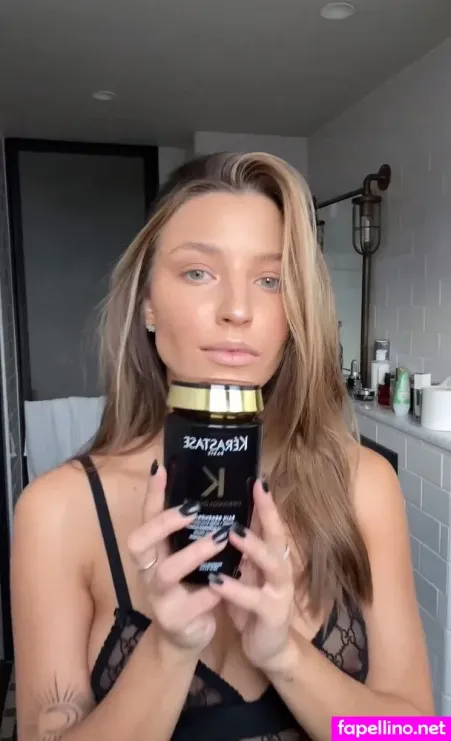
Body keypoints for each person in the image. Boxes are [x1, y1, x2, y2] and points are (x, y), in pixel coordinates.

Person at [11, 151, 433, 741]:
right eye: (198, 273)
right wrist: (169, 648)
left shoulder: (361, 484)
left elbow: (414, 732)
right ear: (148, 302)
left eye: (270, 280)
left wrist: (285, 655)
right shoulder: (58, 511)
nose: (237, 310)